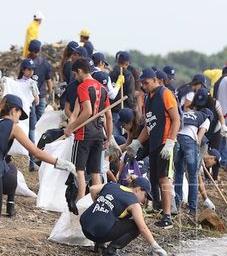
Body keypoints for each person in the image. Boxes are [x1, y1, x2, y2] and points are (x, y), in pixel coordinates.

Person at [1, 94, 75, 217]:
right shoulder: (13, 127)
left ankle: (10, 204)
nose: (19, 118)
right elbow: (36, 153)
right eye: (19, 113)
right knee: (11, 170)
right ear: (14, 111)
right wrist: (60, 163)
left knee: (10, 167)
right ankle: (10, 203)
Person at [126, 68, 181, 229]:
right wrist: (136, 142)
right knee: (155, 178)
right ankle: (159, 208)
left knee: (164, 178)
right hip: (154, 143)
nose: (144, 85)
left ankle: (168, 216)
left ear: (155, 80)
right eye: (142, 83)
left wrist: (170, 142)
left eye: (146, 82)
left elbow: (176, 119)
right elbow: (148, 126)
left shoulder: (165, 93)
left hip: (166, 142)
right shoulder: (148, 98)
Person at [64, 58, 116, 200]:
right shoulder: (102, 88)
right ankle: (97, 201)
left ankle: (81, 200)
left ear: (80, 71)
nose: (75, 77)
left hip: (83, 134)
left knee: (79, 170)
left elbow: (87, 112)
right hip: (99, 134)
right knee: (95, 171)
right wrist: (109, 137)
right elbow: (109, 116)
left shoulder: (83, 87)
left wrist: (71, 127)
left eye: (75, 74)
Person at [80, 177, 167, 256]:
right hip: (99, 234)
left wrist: (99, 205)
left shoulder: (112, 185)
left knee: (113, 214)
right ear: (138, 189)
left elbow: (93, 189)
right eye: (145, 195)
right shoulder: (134, 203)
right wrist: (156, 247)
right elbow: (143, 228)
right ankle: (110, 251)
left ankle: (99, 246)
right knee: (136, 226)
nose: (144, 200)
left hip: (85, 228)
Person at [173, 94, 212, 214]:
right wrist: (197, 146)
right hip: (190, 141)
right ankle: (192, 208)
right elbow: (200, 137)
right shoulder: (205, 117)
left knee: (179, 173)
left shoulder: (185, 113)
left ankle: (177, 204)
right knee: (193, 175)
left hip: (177, 138)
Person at [17, 58, 40, 171]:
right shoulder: (18, 83)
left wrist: (34, 92)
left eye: (32, 70)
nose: (31, 72)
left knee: (31, 137)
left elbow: (37, 101)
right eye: (28, 69)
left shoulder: (32, 83)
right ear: (23, 70)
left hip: (31, 113)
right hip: (19, 113)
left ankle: (31, 163)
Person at [25, 40, 53, 121]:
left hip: (29, 96)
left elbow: (20, 78)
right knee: (40, 119)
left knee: (31, 119)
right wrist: (49, 91)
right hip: (40, 95)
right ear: (39, 50)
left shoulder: (26, 63)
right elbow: (48, 80)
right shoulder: (45, 63)